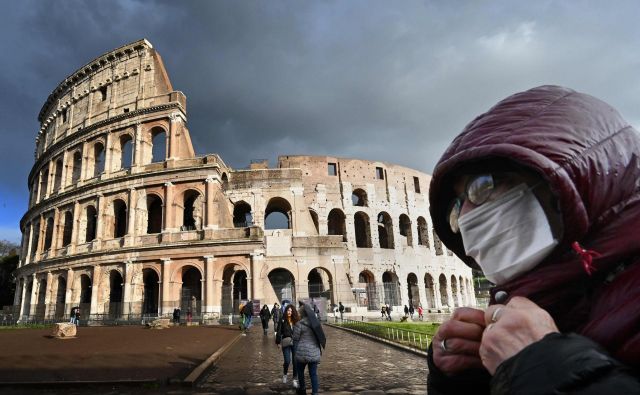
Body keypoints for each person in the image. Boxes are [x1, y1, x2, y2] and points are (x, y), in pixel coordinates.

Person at [426, 85, 640, 394]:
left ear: (567, 179)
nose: (466, 218)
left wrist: (542, 365)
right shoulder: (542, 299)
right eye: (456, 208)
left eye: (481, 185)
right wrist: (465, 378)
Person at [293, 303, 325, 395]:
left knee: (300, 372)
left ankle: (302, 388)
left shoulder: (299, 324)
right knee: (313, 374)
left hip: (301, 353)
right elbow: (320, 337)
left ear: (302, 314)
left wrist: (295, 353)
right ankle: (315, 393)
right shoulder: (316, 324)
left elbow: (295, 338)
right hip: (314, 352)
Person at [276, 304, 299, 388]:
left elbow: (300, 331)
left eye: (291, 311)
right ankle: (285, 374)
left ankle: (294, 379)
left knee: (295, 361)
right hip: (286, 341)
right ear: (286, 311)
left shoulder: (296, 320)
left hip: (295, 342)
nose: (290, 312)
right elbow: (278, 331)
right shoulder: (283, 319)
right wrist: (278, 342)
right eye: (288, 310)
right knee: (287, 361)